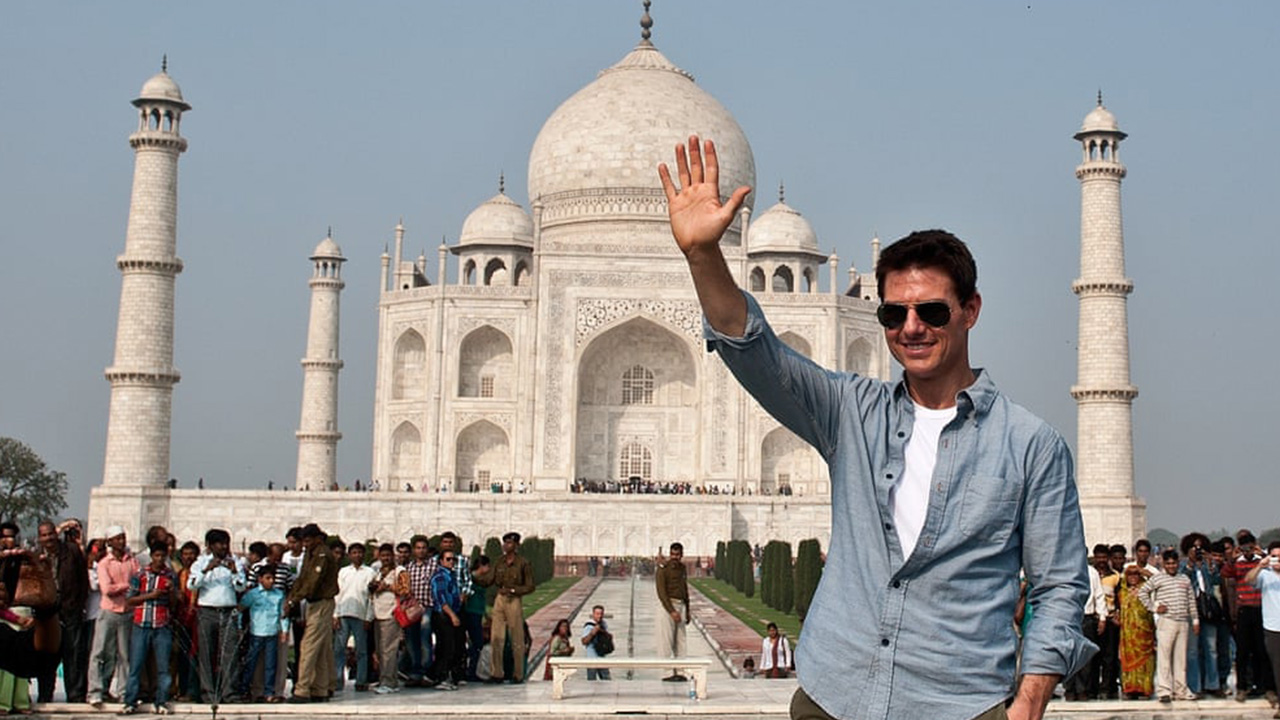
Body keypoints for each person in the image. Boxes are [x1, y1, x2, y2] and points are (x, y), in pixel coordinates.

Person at [657, 136, 1093, 720]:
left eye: (931, 311)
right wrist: (703, 256)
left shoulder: (1029, 446)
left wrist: (1029, 702)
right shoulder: (850, 413)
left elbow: (1060, 586)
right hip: (835, 696)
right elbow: (753, 350)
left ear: (971, 310)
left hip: (959, 704)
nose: (911, 328)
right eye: (893, 313)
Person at [187, 528, 246, 705]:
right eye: (220, 544)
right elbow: (192, 585)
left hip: (227, 611)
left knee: (230, 653)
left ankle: (230, 693)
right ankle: (208, 692)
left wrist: (234, 572)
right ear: (210, 546)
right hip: (207, 611)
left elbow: (241, 587)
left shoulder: (235, 562)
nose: (224, 547)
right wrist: (206, 570)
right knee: (206, 653)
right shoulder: (200, 563)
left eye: (226, 543)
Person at [120, 542, 178, 715]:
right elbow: (130, 600)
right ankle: (130, 701)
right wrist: (150, 595)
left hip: (162, 624)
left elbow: (174, 604)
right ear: (151, 556)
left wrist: (172, 591)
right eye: (157, 556)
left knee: (163, 667)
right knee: (136, 665)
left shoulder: (170, 575)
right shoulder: (140, 575)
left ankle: (161, 701)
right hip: (142, 623)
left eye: (162, 556)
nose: (160, 559)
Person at [35, 519, 88, 703]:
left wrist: (79, 605)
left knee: (73, 653)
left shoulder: (72, 551)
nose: (48, 538)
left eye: (50, 534)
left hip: (70, 609)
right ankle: (45, 694)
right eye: (44, 535)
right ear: (39, 538)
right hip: (46, 613)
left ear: (56, 533)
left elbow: (83, 580)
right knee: (47, 655)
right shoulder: (36, 556)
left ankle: (75, 695)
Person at [285, 523, 338, 703]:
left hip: (322, 603)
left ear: (318, 538)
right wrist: (292, 596)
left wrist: (294, 600)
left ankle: (302, 689)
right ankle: (320, 688)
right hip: (313, 604)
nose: (305, 544)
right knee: (320, 648)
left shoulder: (322, 555)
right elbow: (302, 578)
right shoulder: (311, 553)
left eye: (308, 540)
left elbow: (312, 582)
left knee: (308, 647)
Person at [88, 526, 138, 708]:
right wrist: (126, 586)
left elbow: (138, 582)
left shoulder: (131, 561)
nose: (121, 542)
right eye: (117, 538)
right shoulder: (104, 563)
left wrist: (126, 587)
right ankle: (95, 691)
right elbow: (106, 589)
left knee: (125, 655)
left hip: (126, 612)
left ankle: (124, 692)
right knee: (100, 653)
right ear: (109, 542)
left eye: (123, 538)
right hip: (108, 612)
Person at [1139, 549, 1199, 703]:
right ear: (1164, 564)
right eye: (1168, 563)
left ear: (1178, 563)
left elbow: (1191, 600)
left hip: (1183, 622)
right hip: (1167, 621)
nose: (1171, 566)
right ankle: (1164, 691)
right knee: (1164, 657)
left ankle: (1181, 690)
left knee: (1181, 659)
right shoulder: (1158, 578)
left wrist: (1195, 620)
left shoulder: (1184, 579)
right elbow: (1142, 592)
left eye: (1174, 563)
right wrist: (1154, 607)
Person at [474, 531, 534, 684]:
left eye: (509, 543)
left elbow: (530, 586)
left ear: (516, 545)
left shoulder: (523, 563)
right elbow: (489, 580)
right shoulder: (500, 562)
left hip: (514, 599)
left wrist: (513, 590)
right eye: (505, 542)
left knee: (517, 638)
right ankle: (497, 673)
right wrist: (473, 577)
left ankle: (518, 674)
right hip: (500, 599)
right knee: (496, 637)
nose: (506, 546)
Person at [1224, 532, 1275, 701]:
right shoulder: (1238, 564)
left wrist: (1264, 556)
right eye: (1244, 548)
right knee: (1242, 652)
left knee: (1262, 651)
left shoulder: (1262, 563)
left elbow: (1274, 568)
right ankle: (1242, 687)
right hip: (1244, 610)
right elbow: (1225, 573)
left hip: (1261, 609)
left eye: (1250, 548)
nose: (1247, 551)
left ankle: (1265, 687)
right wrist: (1232, 558)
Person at [236, 565, 288, 703]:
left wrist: (284, 630)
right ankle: (245, 689)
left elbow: (282, 613)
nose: (271, 581)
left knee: (270, 664)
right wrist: (239, 626)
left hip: (272, 632)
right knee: (251, 663)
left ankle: (268, 692)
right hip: (256, 633)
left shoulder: (279, 594)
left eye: (273, 578)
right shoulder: (253, 594)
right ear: (260, 579)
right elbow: (240, 608)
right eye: (267, 578)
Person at [1243, 541, 1280, 719]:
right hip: (1273, 628)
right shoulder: (1265, 574)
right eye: (1274, 556)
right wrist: (1260, 565)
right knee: (1278, 668)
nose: (1277, 560)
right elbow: (1248, 580)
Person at [332, 542, 374, 692]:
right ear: (349, 555)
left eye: (360, 552)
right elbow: (338, 594)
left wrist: (368, 617)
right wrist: (335, 614)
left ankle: (361, 680)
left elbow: (371, 597)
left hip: (360, 614)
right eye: (354, 553)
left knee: (361, 650)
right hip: (343, 613)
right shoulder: (344, 572)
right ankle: (337, 680)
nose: (357, 555)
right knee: (339, 649)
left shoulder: (369, 572)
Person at [370, 543, 408, 694]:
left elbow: (405, 590)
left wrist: (387, 587)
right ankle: (385, 679)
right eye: (383, 556)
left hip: (391, 613)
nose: (386, 558)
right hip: (378, 613)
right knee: (381, 650)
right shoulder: (379, 572)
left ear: (393, 556)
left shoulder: (400, 571)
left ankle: (389, 682)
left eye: (388, 555)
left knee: (389, 650)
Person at [427, 548, 464, 690]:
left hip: (451, 613)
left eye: (453, 559)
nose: (451, 562)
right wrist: (452, 615)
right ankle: (441, 677)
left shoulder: (450, 575)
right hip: (443, 615)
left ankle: (438, 675)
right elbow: (441, 599)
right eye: (448, 559)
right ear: (441, 561)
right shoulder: (440, 576)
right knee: (447, 647)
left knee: (450, 646)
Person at [1117, 565, 1155, 699]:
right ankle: (1130, 689)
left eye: (1136, 574)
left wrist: (1147, 574)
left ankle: (1144, 689)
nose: (1133, 577)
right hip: (1127, 634)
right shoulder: (1122, 592)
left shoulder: (1146, 589)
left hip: (1144, 631)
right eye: (1130, 574)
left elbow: (1159, 583)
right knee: (1128, 660)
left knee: (1145, 661)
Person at [655, 542, 690, 682]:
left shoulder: (682, 568)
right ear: (670, 554)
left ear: (681, 555)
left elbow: (684, 589)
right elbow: (661, 592)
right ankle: (667, 673)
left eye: (677, 554)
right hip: (668, 606)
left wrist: (688, 610)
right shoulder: (663, 568)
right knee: (666, 640)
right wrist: (671, 611)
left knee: (681, 641)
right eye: (673, 554)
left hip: (680, 605)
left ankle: (680, 671)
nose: (675, 557)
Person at [581, 604, 611, 681]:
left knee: (606, 679)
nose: (599, 616)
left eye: (601, 614)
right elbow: (584, 641)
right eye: (597, 614)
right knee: (591, 680)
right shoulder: (589, 626)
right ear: (593, 614)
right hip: (591, 658)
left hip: (602, 657)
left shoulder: (604, 624)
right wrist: (592, 633)